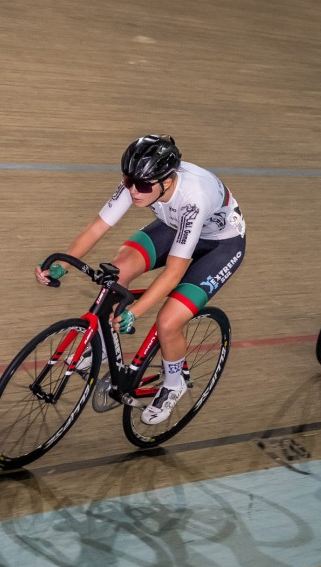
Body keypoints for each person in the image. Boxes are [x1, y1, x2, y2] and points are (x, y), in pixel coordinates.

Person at [35, 134, 246, 424]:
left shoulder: (193, 198)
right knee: (117, 272)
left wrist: (135, 312)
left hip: (220, 245)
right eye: (127, 181)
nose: (134, 191)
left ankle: (174, 384)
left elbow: (174, 273)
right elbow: (97, 228)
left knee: (169, 320)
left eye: (143, 186)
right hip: (175, 226)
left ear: (167, 182)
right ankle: (109, 348)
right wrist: (63, 264)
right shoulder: (140, 181)